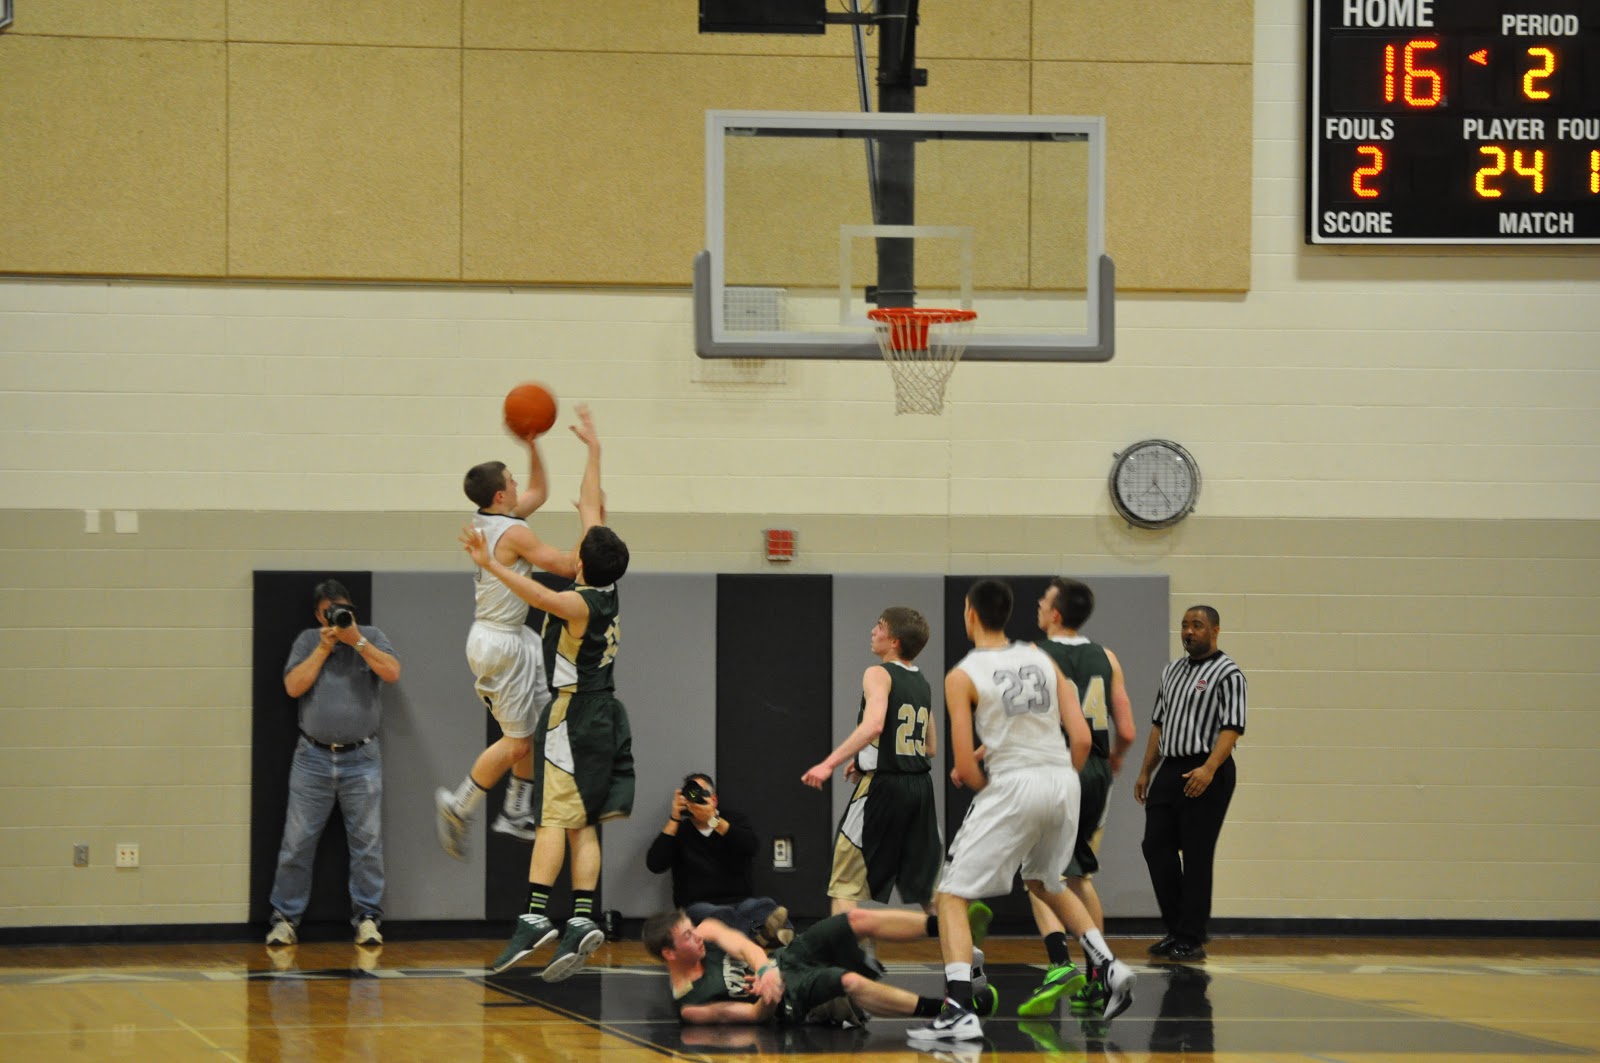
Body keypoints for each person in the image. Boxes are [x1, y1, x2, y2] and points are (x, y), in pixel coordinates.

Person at [911, 578, 1134, 1044]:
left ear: (970, 613)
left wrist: (1000, 791)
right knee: (1046, 882)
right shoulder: (1042, 659)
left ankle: (957, 1009)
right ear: (1008, 614)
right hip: (1063, 781)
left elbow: (966, 766)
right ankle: (1107, 965)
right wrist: (1059, 779)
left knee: (952, 895)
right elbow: (1080, 738)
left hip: (1015, 784)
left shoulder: (963, 674)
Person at [459, 408, 634, 982]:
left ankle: (536, 916)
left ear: (582, 562)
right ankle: (582, 916)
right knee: (584, 821)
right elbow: (592, 503)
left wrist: (490, 566)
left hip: (574, 715)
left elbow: (537, 593)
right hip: (608, 714)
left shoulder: (581, 601)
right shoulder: (604, 580)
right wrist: (593, 448)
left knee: (554, 820)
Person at [434, 423, 583, 860]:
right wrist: (594, 524)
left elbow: (539, 489)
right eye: (511, 480)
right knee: (516, 741)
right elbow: (565, 564)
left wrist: (533, 444)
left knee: (533, 727)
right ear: (500, 495)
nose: (519, 484)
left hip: (515, 636)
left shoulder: (495, 518)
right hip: (500, 642)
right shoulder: (513, 533)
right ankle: (458, 805)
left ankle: (516, 808)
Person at [1017, 577, 1138, 1017]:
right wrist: (1117, 760)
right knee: (1081, 877)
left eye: (1044, 600)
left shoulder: (1033, 656)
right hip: (1097, 772)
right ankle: (1095, 979)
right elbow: (1126, 731)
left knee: (1038, 874)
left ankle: (1058, 965)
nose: (1037, 604)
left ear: (1056, 614)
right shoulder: (1107, 658)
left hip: (1054, 768)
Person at [265, 580, 402, 947]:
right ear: (318, 614)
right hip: (312, 758)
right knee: (297, 842)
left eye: (342, 610)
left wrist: (355, 639)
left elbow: (391, 672)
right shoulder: (308, 641)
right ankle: (284, 918)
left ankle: (368, 918)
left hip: (363, 758)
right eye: (330, 612)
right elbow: (293, 687)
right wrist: (325, 647)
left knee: (367, 843)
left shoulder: (369, 636)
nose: (337, 618)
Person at [800, 607, 941, 920]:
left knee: (844, 882)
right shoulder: (923, 684)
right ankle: (965, 949)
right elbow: (930, 747)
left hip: (884, 787)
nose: (872, 632)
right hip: (919, 789)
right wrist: (865, 759)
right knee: (923, 886)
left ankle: (843, 958)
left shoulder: (878, 673)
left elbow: (875, 725)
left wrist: (829, 764)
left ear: (894, 642)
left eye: (879, 627)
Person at [642, 905, 993, 1028]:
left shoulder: (707, 931)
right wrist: (769, 994)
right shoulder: (691, 1006)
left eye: (692, 929)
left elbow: (749, 948)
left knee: (855, 918)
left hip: (786, 959)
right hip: (788, 997)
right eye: (687, 937)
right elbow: (753, 1019)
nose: (697, 937)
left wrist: (765, 971)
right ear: (670, 954)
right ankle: (946, 1011)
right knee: (849, 981)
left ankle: (948, 927)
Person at [1134, 604, 1246, 963]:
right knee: (1155, 846)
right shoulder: (1172, 672)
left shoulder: (1228, 673)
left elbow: (1232, 728)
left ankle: (1191, 936)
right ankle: (1175, 928)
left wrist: (1210, 768)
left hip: (1207, 768)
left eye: (1197, 625)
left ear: (1214, 630)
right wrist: (1145, 771)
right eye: (1184, 625)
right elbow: (1158, 724)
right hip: (1171, 767)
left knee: (1197, 854)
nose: (1188, 632)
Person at [646, 772, 793, 948]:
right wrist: (674, 818)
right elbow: (655, 864)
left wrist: (712, 821)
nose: (695, 798)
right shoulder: (680, 831)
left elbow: (749, 846)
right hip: (698, 906)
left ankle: (757, 935)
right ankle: (763, 935)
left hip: (741, 902)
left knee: (765, 905)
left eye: (700, 793)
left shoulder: (734, 821)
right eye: (690, 794)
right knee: (720, 915)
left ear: (713, 800)